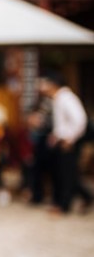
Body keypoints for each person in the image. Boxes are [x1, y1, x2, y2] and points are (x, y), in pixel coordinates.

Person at [38, 70, 92, 214]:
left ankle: (64, 205)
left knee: (66, 174)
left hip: (68, 142)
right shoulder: (56, 99)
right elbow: (61, 124)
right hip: (60, 141)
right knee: (63, 173)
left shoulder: (67, 98)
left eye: (44, 83)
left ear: (53, 84)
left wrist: (70, 138)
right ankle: (83, 197)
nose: (42, 86)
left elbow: (80, 120)